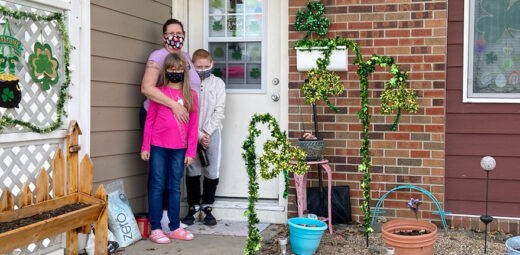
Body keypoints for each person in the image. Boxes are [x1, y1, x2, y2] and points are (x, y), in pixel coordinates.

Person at [141, 53, 198, 244]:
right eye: (172, 69)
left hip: (179, 148)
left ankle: (174, 227)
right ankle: (156, 228)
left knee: (174, 186)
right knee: (157, 185)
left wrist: (191, 151)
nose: (175, 72)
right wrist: (145, 145)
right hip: (158, 145)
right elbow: (149, 120)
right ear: (166, 71)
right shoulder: (160, 93)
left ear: (185, 71)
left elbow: (193, 125)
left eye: (179, 69)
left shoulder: (192, 95)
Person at [182, 49, 226, 226]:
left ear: (212, 64)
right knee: (192, 169)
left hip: (212, 132)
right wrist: (198, 135)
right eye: (198, 66)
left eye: (206, 66)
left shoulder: (218, 84)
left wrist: (206, 133)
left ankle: (207, 206)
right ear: (192, 65)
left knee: (211, 169)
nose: (202, 69)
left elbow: (219, 110)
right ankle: (193, 208)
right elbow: (186, 108)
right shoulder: (188, 84)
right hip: (191, 132)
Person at [140, 19, 201, 129]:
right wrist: (175, 106)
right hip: (159, 119)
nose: (176, 36)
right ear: (164, 37)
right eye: (171, 34)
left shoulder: (186, 56)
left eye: (179, 33)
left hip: (182, 119)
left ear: (184, 35)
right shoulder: (158, 56)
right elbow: (146, 88)